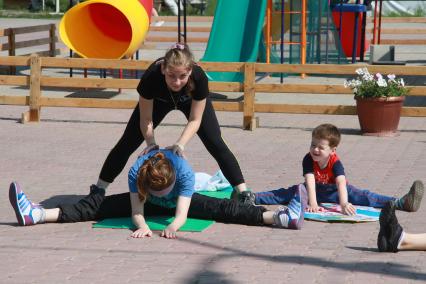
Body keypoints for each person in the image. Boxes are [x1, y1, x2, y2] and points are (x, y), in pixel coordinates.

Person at [9, 150, 308, 239]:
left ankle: (282, 218)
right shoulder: (136, 174)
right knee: (95, 206)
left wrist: (173, 226)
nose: (160, 194)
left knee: (225, 209)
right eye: (156, 191)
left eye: (164, 189)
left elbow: (180, 213)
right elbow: (138, 209)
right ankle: (36, 214)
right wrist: (142, 227)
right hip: (146, 204)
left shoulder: (185, 175)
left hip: (185, 203)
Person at [95, 43, 248, 199]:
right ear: (163, 69)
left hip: (189, 100)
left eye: (182, 76)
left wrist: (180, 144)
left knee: (215, 141)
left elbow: (195, 120)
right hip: (159, 101)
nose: (176, 82)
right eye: (171, 76)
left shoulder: (199, 77)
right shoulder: (151, 76)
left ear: (190, 71)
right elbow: (146, 119)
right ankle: (98, 190)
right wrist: (151, 144)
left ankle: (243, 192)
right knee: (127, 142)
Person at [240, 124, 424, 216]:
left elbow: (341, 182)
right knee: (285, 193)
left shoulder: (335, 162)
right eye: (313, 145)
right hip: (314, 191)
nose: (315, 150)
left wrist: (344, 204)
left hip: (336, 192)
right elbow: (310, 181)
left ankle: (401, 202)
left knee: (366, 197)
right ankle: (251, 197)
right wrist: (312, 202)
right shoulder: (308, 158)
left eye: (320, 147)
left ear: (332, 150)